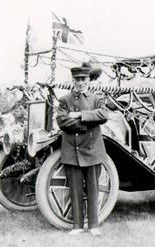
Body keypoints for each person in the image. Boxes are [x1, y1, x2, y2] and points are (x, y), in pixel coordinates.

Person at [56, 62, 109, 237]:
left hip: (92, 149)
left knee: (93, 188)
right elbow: (62, 122)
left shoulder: (96, 98)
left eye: (84, 79)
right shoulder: (65, 100)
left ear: (89, 80)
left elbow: (103, 115)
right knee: (75, 189)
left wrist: (79, 116)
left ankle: (94, 225)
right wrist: (88, 123)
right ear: (73, 80)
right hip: (72, 150)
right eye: (77, 79)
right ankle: (77, 225)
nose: (80, 82)